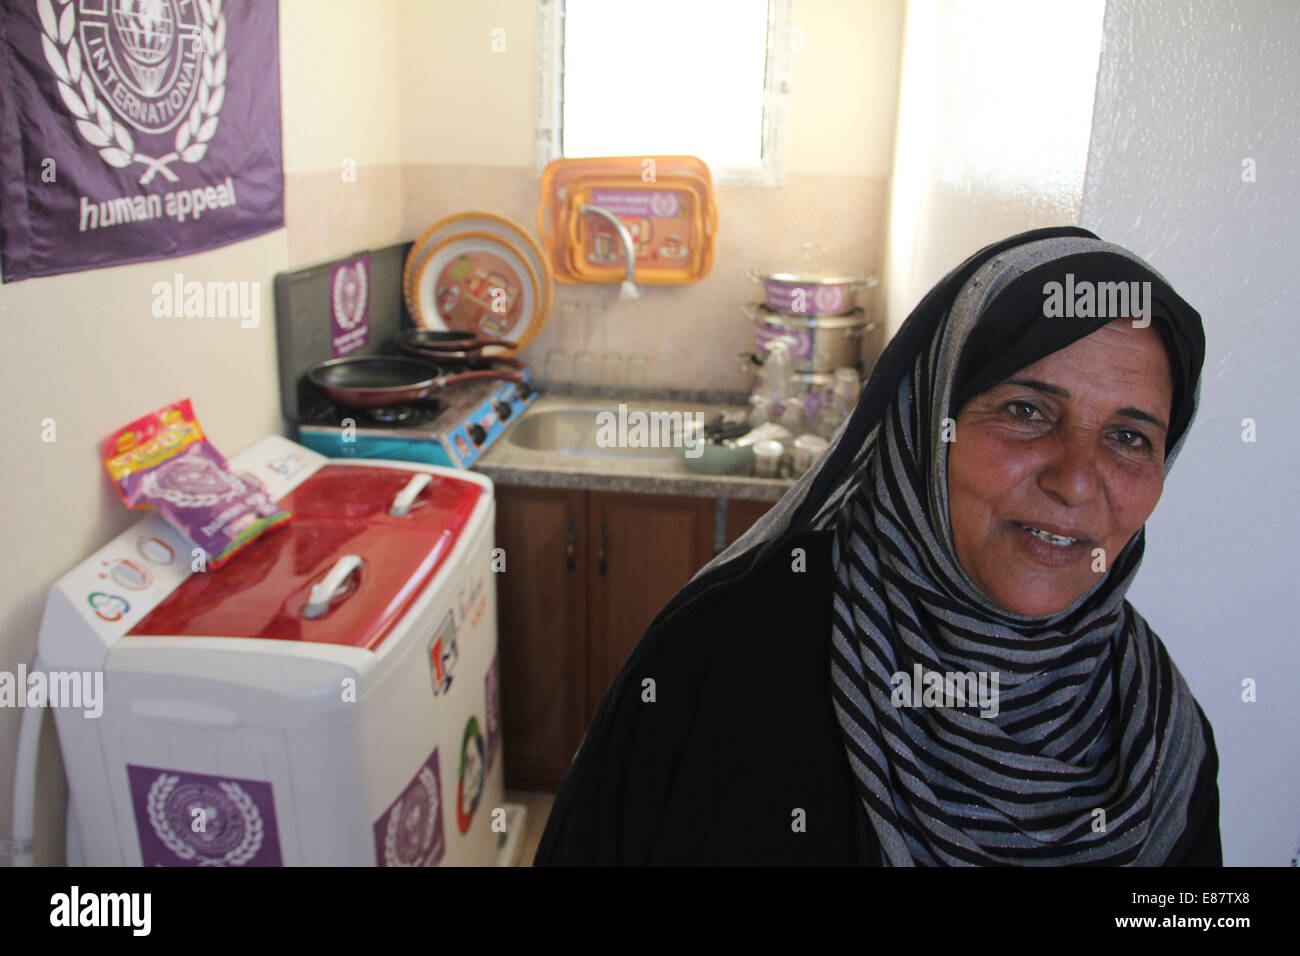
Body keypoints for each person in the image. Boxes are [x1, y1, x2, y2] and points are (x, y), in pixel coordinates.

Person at [533, 227, 1221, 866]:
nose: (1074, 481)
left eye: (1130, 437)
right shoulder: (723, 659)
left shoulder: (1157, 729)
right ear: (927, 422)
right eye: (1025, 411)